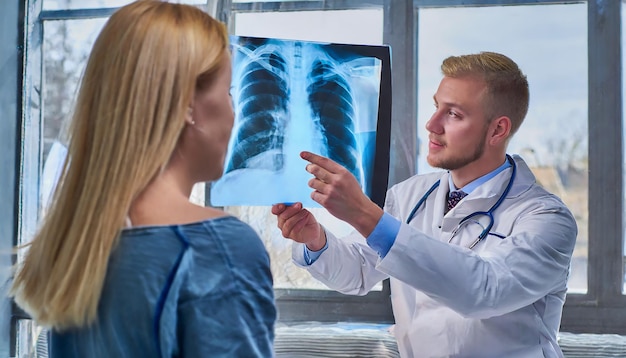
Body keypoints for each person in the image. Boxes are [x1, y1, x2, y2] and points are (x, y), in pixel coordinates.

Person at [10, 1, 276, 357]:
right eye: (228, 92)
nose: (234, 111)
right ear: (186, 104)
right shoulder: (219, 249)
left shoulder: (74, 250)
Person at [272, 51, 577, 357]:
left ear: (497, 130)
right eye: (436, 107)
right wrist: (315, 240)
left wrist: (366, 215)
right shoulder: (411, 194)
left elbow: (484, 290)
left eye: (454, 114)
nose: (432, 124)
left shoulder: (548, 218)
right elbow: (358, 272)